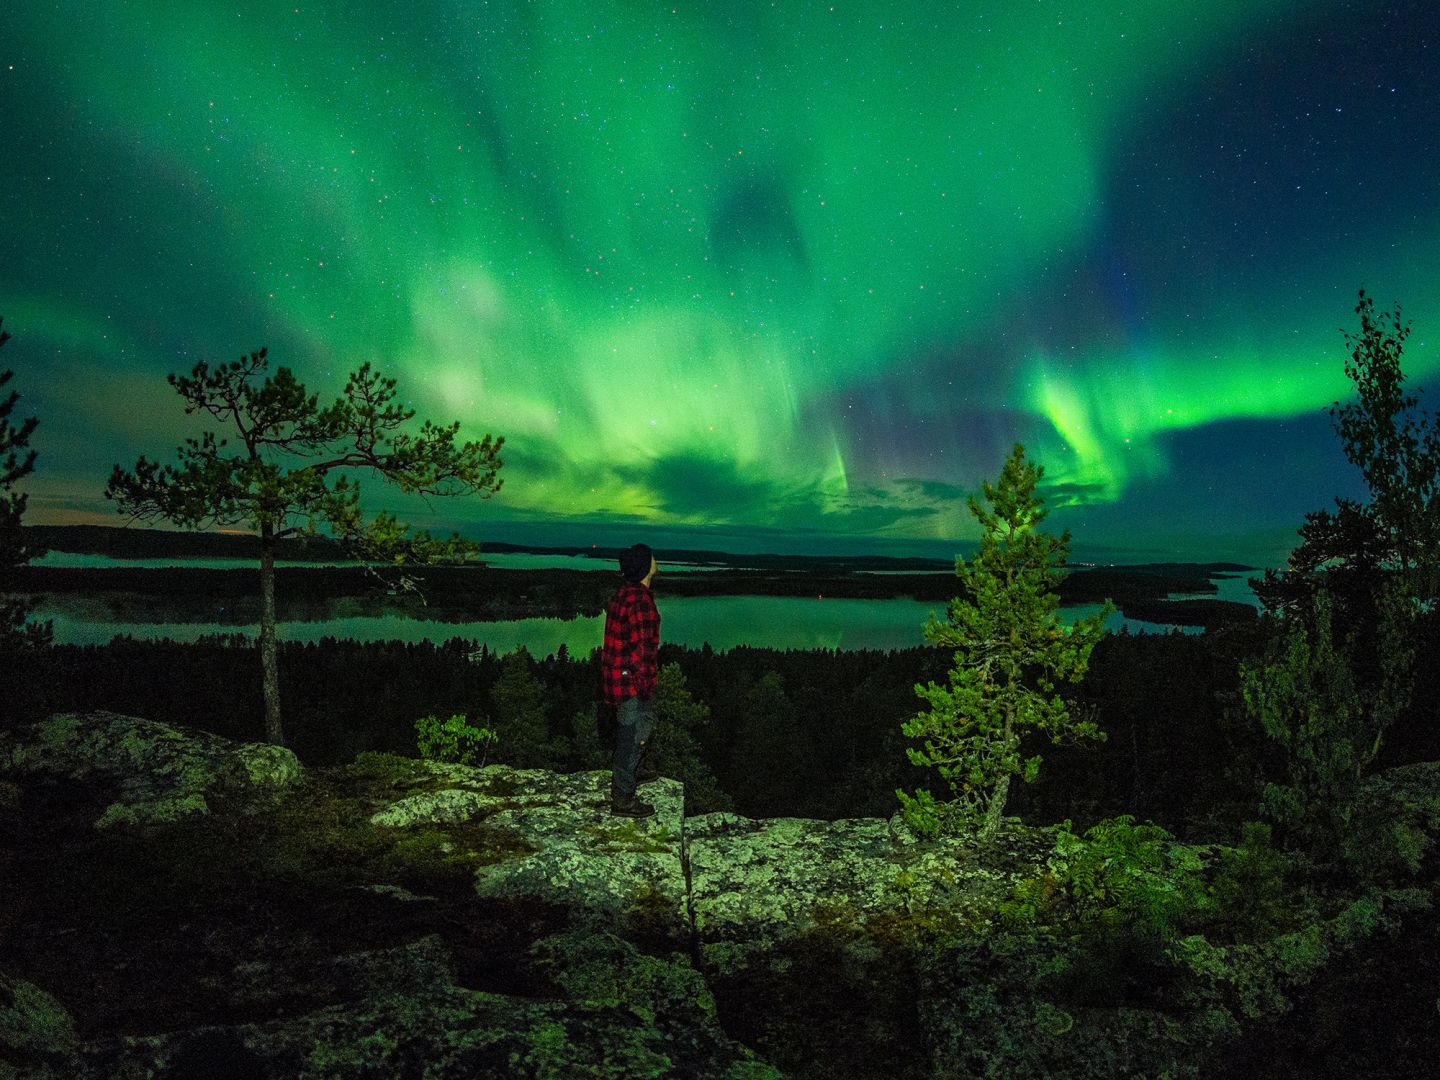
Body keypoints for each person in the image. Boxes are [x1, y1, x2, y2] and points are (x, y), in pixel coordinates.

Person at [602, 543, 661, 817]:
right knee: (633, 733)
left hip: (617, 679)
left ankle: (634, 769)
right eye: (652, 557)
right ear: (645, 567)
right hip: (632, 683)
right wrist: (646, 687)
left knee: (639, 727)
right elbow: (640, 654)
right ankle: (623, 797)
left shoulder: (625, 594)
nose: (656, 560)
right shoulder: (641, 603)